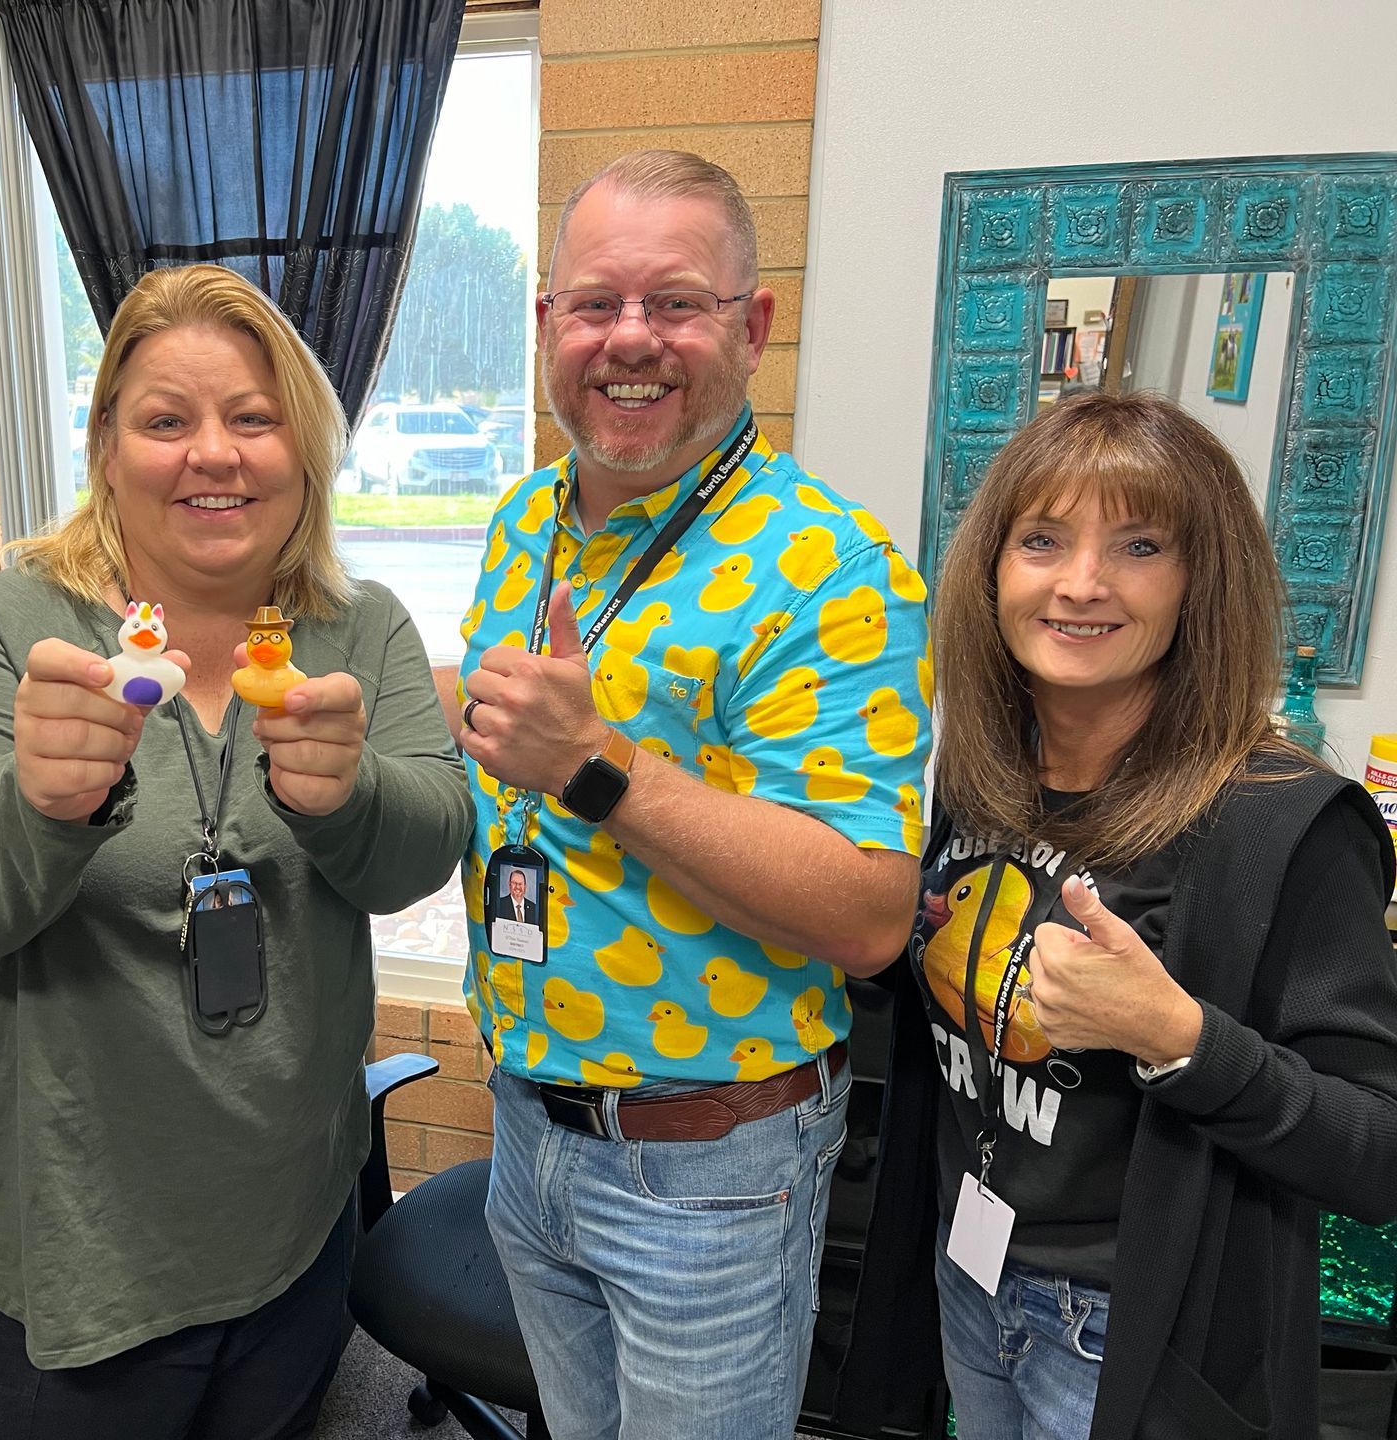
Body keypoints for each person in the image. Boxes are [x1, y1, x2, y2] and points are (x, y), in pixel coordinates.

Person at [0, 263, 471, 1439]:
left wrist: (348, 800)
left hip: (284, 1219)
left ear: (304, 449)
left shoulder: (362, 627)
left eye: (254, 418)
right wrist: (33, 805)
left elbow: (421, 855)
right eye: (165, 420)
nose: (215, 453)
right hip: (47, 1243)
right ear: (104, 447)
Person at [445, 149, 932, 1439]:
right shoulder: (523, 523)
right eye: (595, 303)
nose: (630, 340)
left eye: (677, 302)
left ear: (751, 326)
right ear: (548, 323)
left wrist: (596, 768)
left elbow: (872, 912)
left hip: (707, 1170)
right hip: (528, 1127)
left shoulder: (828, 567)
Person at [837, 391, 1397, 1440]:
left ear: (1199, 581)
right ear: (994, 569)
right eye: (1042, 539)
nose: (1081, 584)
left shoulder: (1285, 820)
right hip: (972, 1269)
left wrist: (1175, 1037)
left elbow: (1376, 1152)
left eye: (1139, 546)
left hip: (1127, 1328)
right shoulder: (983, 774)